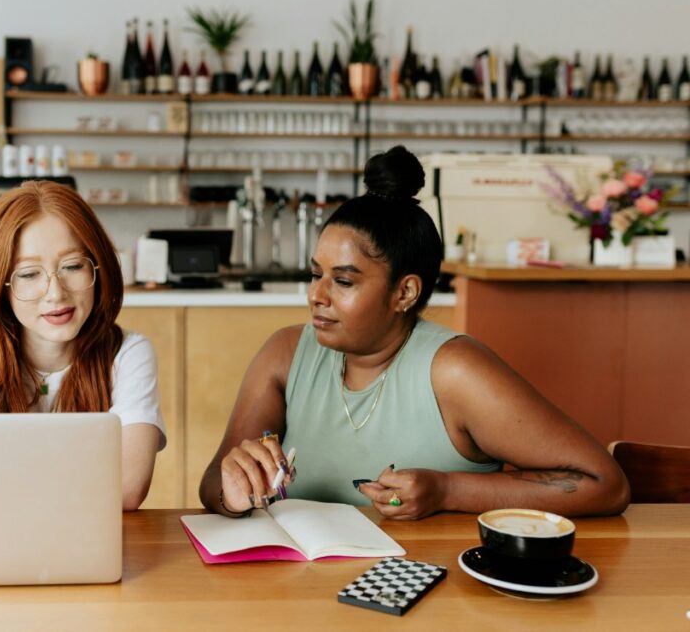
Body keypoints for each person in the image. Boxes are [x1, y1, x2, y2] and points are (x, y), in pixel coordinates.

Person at [200, 146, 630, 520]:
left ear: (404, 292)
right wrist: (233, 493)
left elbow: (604, 483)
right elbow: (211, 486)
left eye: (344, 282)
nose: (317, 295)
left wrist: (448, 491)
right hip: (301, 597)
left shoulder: (454, 371)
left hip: (428, 593)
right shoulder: (286, 352)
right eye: (315, 274)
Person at [0, 180, 165, 511]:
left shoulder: (127, 354)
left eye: (72, 266)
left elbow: (127, 488)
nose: (55, 293)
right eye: (29, 274)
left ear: (98, 267)